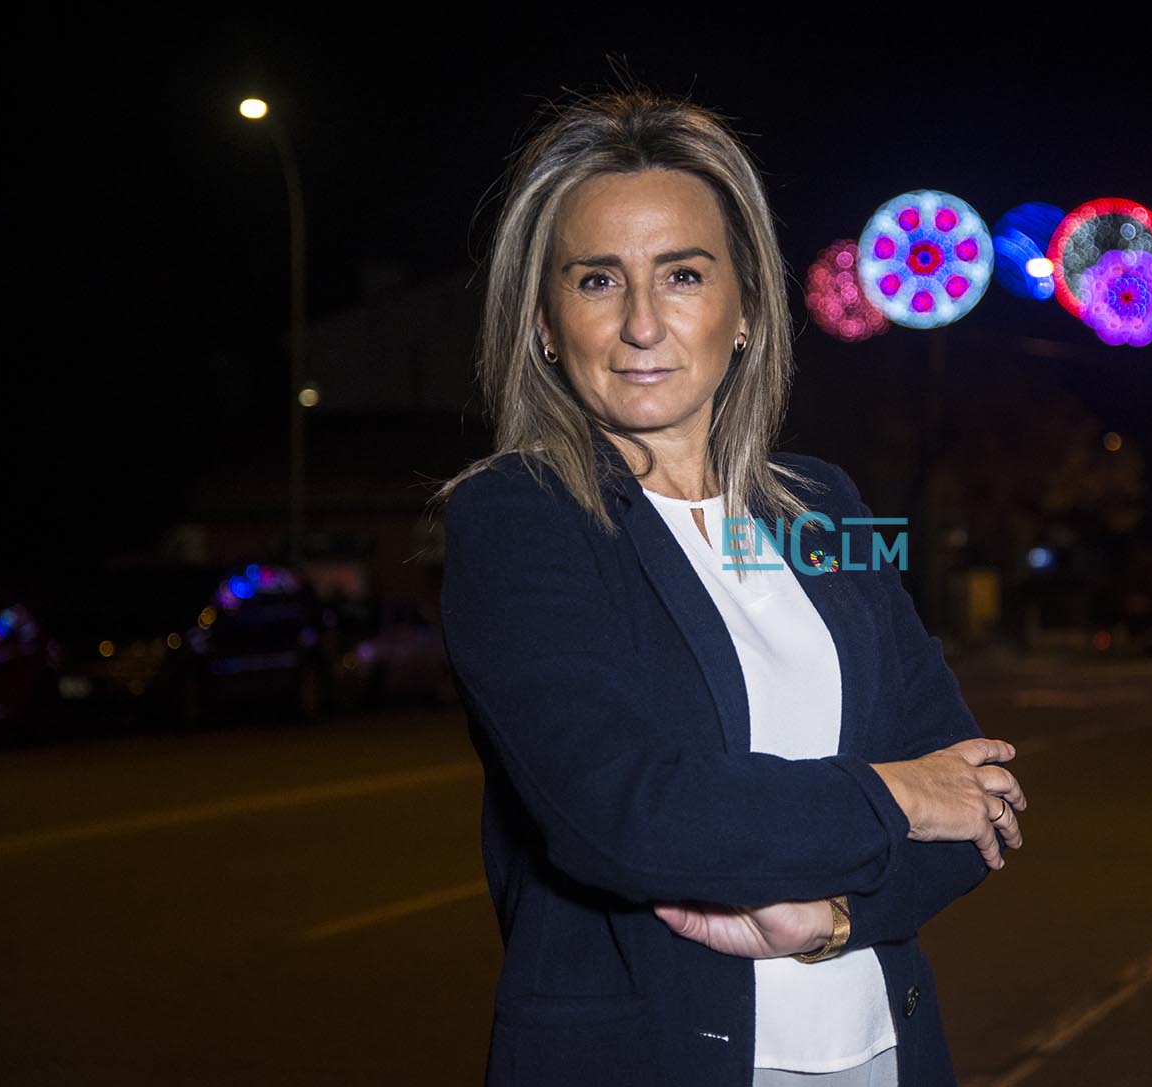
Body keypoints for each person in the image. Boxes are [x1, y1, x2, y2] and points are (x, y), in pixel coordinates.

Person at [437, 89, 1026, 1087]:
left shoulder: (821, 509)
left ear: (744, 307)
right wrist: (892, 795)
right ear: (543, 323)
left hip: (880, 1053)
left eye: (680, 274)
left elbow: (981, 807)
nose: (639, 325)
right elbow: (630, 813)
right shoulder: (521, 520)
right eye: (593, 280)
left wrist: (833, 918)